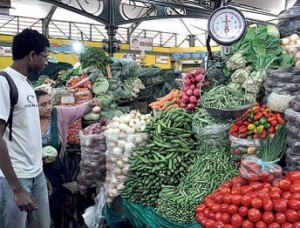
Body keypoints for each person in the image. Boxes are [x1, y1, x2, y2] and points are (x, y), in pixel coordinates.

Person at [0, 29, 51, 228]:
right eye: (45, 57)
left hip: (35, 174)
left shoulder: (27, 84)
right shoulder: (5, 83)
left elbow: (28, 135)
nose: (47, 62)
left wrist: (40, 173)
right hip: (15, 178)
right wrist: (17, 188)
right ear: (31, 55)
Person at [35, 89, 100, 228]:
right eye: (43, 104)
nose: (48, 107)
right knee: (37, 205)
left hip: (54, 167)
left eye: (49, 103)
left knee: (55, 200)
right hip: (34, 168)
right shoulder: (26, 120)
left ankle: (57, 223)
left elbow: (77, 110)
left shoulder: (58, 113)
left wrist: (90, 104)